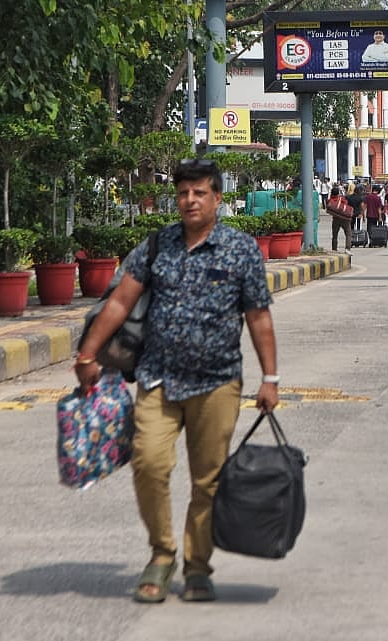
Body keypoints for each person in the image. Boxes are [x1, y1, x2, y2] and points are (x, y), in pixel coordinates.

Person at [75, 158, 279, 604]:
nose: (189, 200)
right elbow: (119, 302)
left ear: (217, 198)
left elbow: (258, 317)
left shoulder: (240, 249)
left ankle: (198, 566)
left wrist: (270, 377)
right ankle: (162, 553)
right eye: (183, 192)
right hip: (158, 378)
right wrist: (88, 352)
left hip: (217, 381)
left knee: (208, 480)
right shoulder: (156, 247)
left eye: (199, 192)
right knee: (148, 462)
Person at [327, 186, 353, 254]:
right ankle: (347, 248)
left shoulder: (330, 200)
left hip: (336, 219)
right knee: (348, 234)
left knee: (335, 235)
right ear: (338, 193)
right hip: (345, 219)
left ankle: (334, 249)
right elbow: (346, 205)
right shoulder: (342, 198)